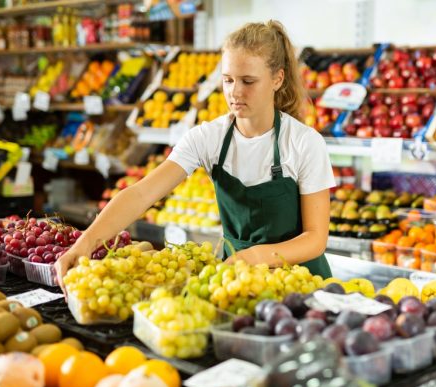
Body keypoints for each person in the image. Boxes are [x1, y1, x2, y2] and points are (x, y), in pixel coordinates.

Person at [55, 20, 336, 291]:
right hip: (240, 283)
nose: (235, 92)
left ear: (277, 78)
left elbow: (315, 239)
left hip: (303, 285)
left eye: (248, 81)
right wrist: (85, 243)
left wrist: (254, 257)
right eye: (227, 80)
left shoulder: (303, 142)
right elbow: (140, 195)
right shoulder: (208, 138)